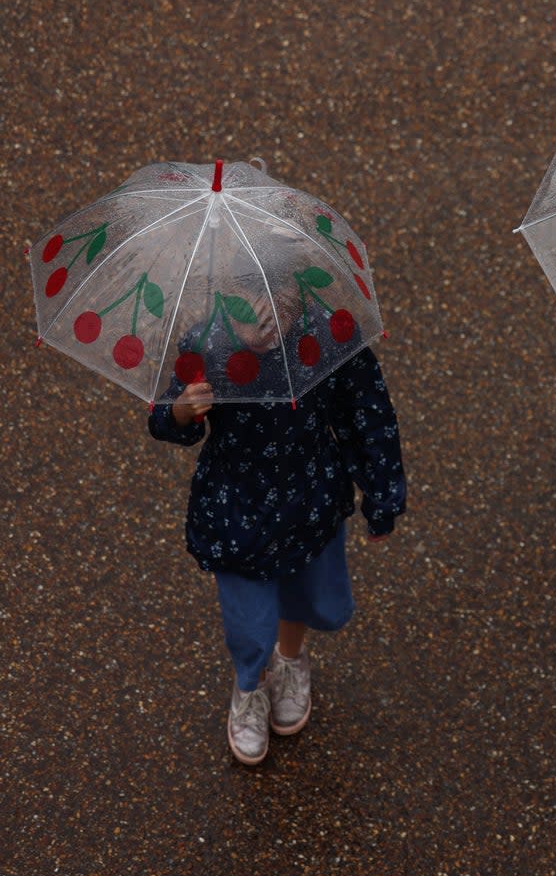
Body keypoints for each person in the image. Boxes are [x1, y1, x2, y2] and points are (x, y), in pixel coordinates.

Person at [149, 277, 407, 765]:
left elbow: (368, 415)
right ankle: (250, 685)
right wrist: (183, 412)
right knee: (248, 624)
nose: (265, 322)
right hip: (236, 512)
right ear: (225, 298)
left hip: (310, 502)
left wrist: (382, 496)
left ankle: (290, 661)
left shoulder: (329, 336)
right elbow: (164, 419)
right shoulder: (208, 344)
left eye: (279, 305)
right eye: (248, 308)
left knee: (309, 599)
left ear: (298, 295)